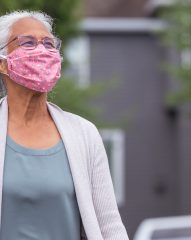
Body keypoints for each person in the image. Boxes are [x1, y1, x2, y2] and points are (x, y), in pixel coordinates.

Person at [0, 10, 129, 240]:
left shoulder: (84, 134)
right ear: (3, 64)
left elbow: (109, 224)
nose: (42, 51)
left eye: (49, 44)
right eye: (27, 43)